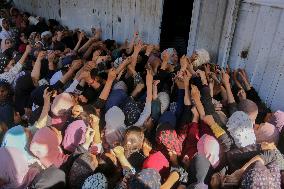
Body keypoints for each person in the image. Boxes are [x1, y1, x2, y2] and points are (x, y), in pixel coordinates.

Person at [0, 6, 282, 189]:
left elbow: (155, 105)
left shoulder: (103, 129)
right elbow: (171, 107)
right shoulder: (217, 143)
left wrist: (142, 75)